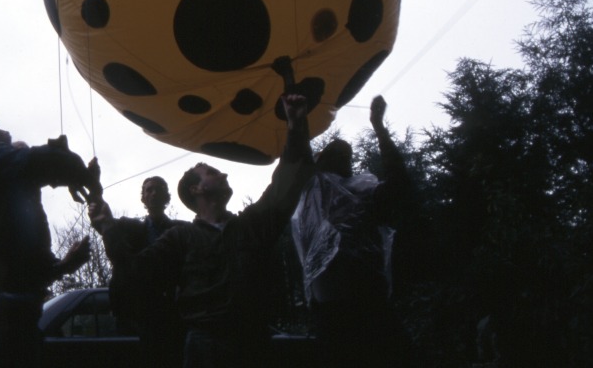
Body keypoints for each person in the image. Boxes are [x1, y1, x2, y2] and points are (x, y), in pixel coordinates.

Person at [92, 94, 313, 368]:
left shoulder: (251, 226)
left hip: (255, 347)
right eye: (212, 171)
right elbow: (136, 273)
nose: (224, 175)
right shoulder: (179, 238)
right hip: (204, 351)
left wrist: (296, 124)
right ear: (196, 189)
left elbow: (289, 181)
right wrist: (108, 228)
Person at [0, 108, 97, 368]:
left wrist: (63, 266)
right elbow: (54, 161)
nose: (5, 131)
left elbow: (0, 265)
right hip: (5, 333)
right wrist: (86, 177)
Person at [291, 95, 415, 367]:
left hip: (354, 307)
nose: (344, 158)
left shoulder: (359, 195)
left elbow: (398, 184)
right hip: (349, 308)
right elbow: (399, 181)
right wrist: (378, 127)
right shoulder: (315, 195)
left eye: (346, 156)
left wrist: (379, 126)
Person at [87, 176, 186, 368]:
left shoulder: (180, 229)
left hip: (172, 315)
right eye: (149, 190)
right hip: (134, 315)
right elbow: (107, 227)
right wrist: (94, 197)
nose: (154, 193)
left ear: (167, 198)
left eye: (159, 189)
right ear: (143, 198)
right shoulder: (127, 227)